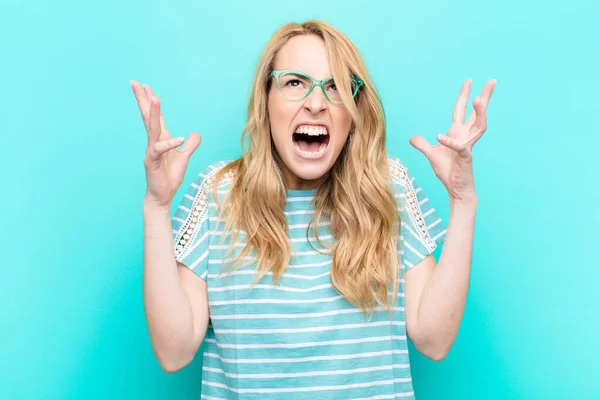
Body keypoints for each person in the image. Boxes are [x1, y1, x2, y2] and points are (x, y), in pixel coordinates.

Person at [133, 19, 495, 400]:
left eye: (336, 86)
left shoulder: (390, 188)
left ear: (354, 109)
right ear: (266, 99)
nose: (317, 102)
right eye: (294, 82)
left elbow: (434, 340)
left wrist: (463, 202)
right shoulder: (216, 194)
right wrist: (157, 207)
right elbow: (173, 354)